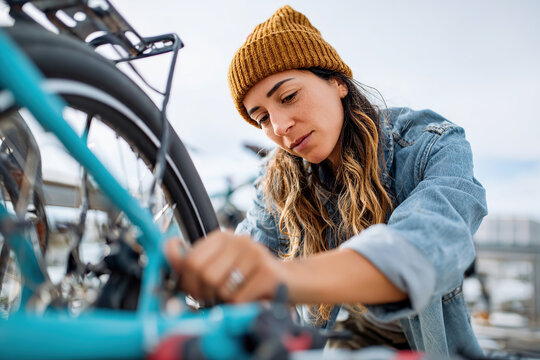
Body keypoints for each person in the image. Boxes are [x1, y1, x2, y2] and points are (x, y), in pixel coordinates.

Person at [166, 5, 488, 357]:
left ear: (337, 83)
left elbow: (427, 246)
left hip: (427, 343)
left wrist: (280, 278)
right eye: (261, 118)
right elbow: (247, 257)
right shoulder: (280, 179)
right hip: (339, 339)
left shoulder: (432, 146)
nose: (279, 127)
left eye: (288, 97)